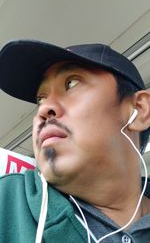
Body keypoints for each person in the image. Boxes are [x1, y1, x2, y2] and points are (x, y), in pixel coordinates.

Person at [0, 39, 150, 243]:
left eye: (71, 83)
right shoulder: (8, 202)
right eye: (40, 99)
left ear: (139, 110)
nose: (44, 109)